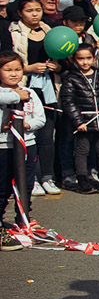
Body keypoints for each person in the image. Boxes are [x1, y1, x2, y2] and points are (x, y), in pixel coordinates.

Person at [8, 0, 61, 197]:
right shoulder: (13, 32)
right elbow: (7, 62)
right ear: (20, 13)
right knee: (26, 136)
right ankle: (30, 179)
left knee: (47, 137)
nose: (34, 14)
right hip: (24, 87)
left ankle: (47, 177)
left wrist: (57, 66)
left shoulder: (50, 31)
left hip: (48, 89)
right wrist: (27, 68)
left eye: (38, 10)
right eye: (29, 10)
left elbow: (63, 61)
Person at [1, 49, 45, 247]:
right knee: (3, 188)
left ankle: (24, 218)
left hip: (28, 145)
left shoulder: (30, 93)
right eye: (8, 69)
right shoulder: (5, 94)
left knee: (26, 185)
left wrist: (27, 125)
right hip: (4, 147)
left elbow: (40, 119)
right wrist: (16, 97)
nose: (13, 74)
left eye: (18, 69)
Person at [58, 43, 99, 193]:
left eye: (88, 58)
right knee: (82, 150)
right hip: (84, 122)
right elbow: (68, 102)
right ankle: (82, 179)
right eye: (80, 59)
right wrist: (78, 121)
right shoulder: (71, 78)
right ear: (74, 60)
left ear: (94, 58)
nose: (85, 62)